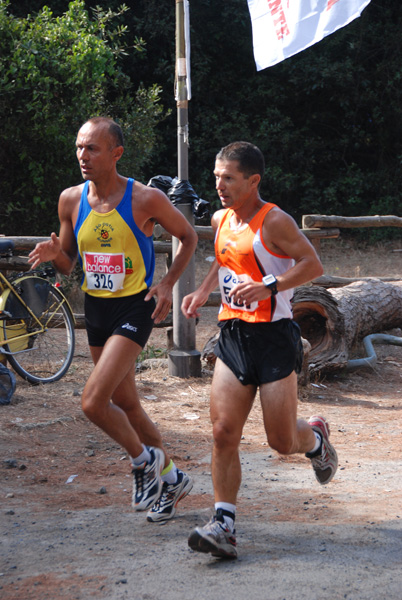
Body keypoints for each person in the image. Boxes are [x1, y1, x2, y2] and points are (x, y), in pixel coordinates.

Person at [29, 116, 197, 522]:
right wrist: (56, 256)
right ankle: (172, 479)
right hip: (97, 311)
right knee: (128, 405)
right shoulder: (71, 199)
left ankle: (142, 462)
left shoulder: (145, 198)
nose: (82, 156)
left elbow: (188, 236)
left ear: (116, 153)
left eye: (92, 148)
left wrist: (167, 284)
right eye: (79, 148)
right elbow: (70, 264)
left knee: (92, 401)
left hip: (133, 308)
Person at [181, 141, 338, 558]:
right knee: (222, 431)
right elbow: (223, 258)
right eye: (216, 176)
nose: (220, 185)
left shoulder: (275, 221)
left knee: (281, 440)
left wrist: (269, 285)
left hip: (273, 337)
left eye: (229, 177)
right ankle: (224, 524)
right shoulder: (221, 218)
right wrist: (201, 291)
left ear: (253, 181)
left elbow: (312, 263)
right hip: (233, 335)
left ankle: (316, 440)